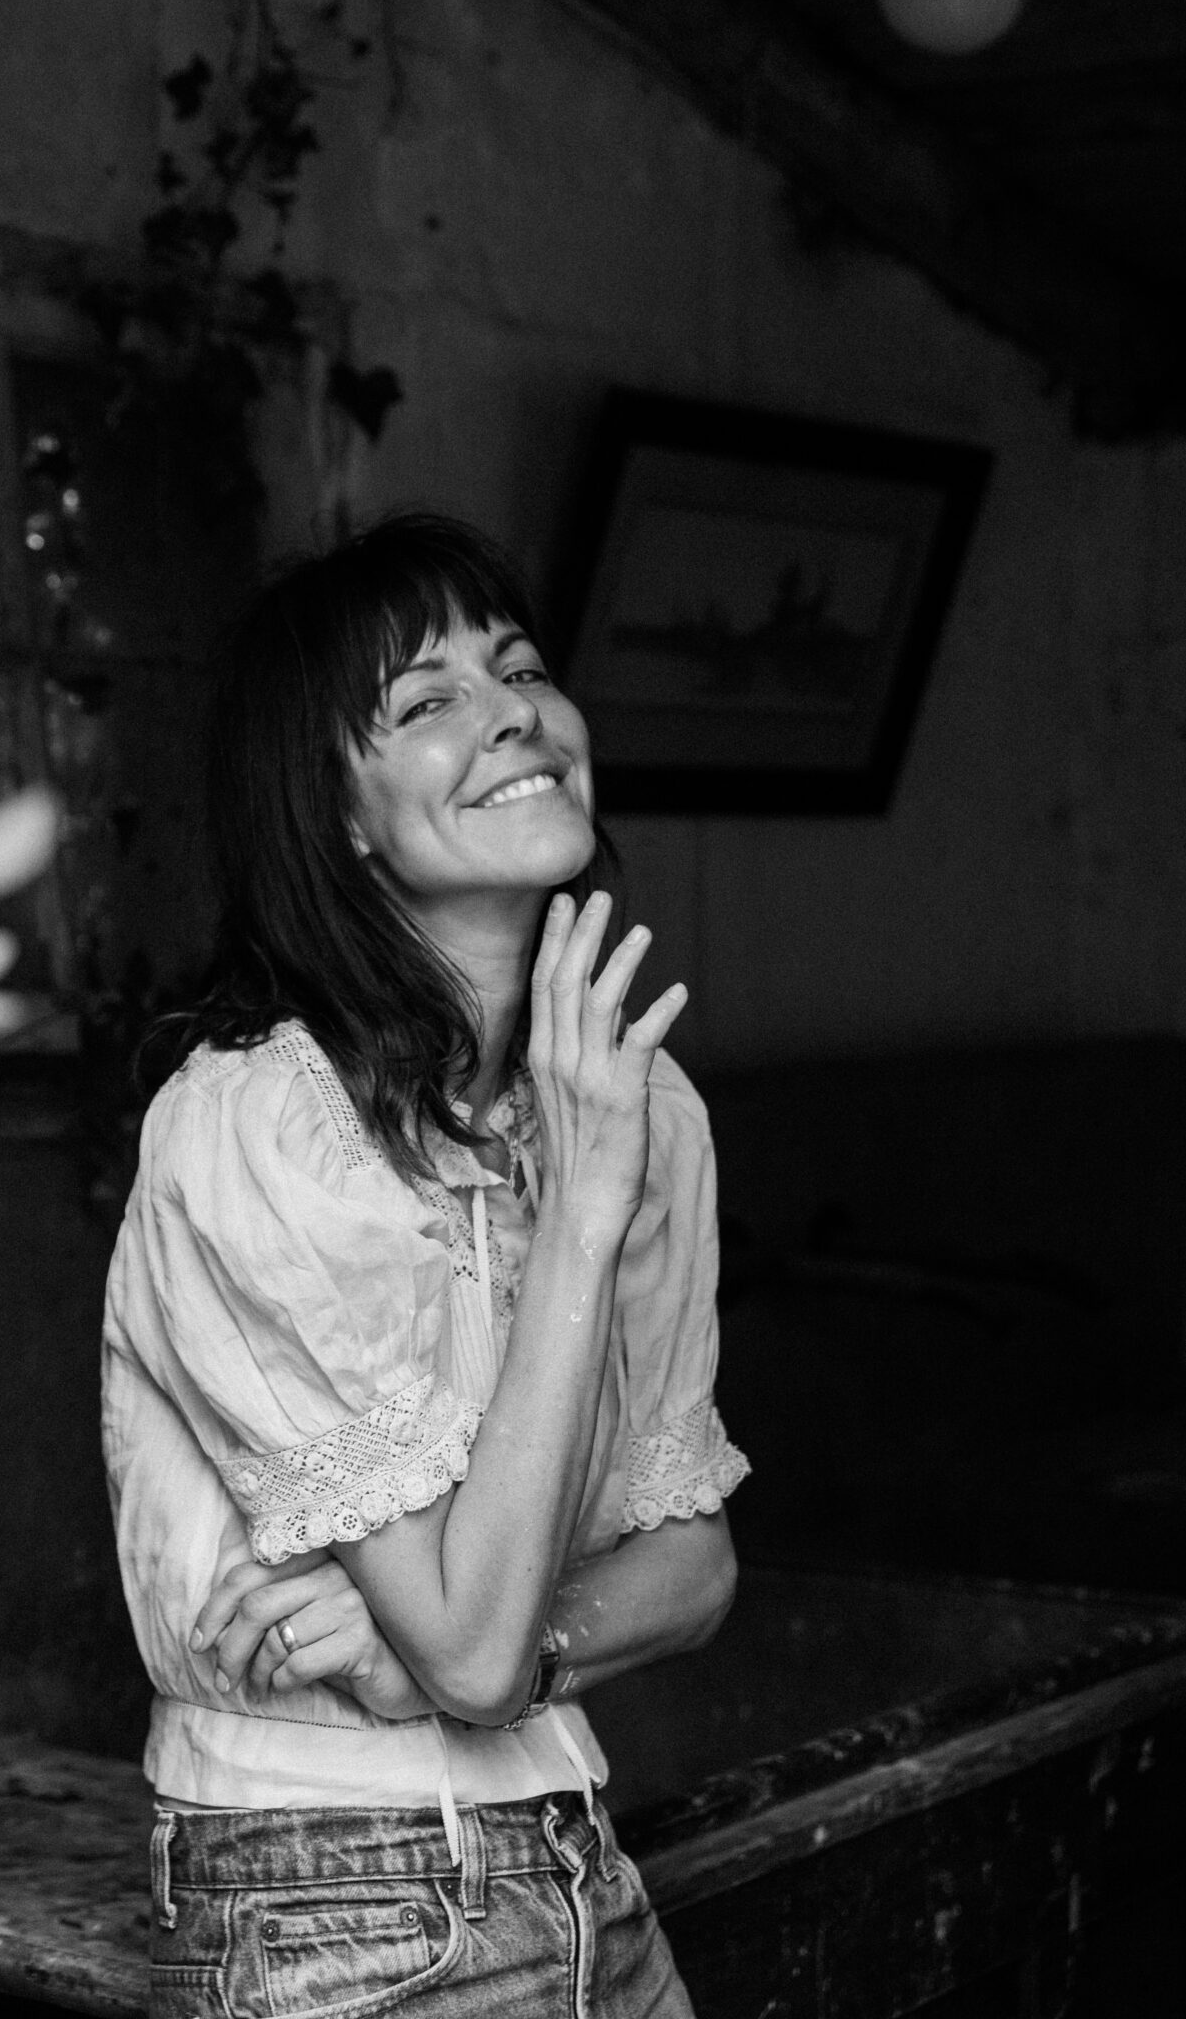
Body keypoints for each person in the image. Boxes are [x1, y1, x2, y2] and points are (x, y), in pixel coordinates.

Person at [103, 512, 748, 2016]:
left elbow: (697, 1564)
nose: (513, 711)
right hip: (333, 1885)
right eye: (428, 700)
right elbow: (463, 1638)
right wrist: (580, 1215)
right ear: (337, 815)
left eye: (518, 668)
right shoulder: (253, 1126)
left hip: (579, 1852)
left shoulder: (637, 1099)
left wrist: (516, 1653)